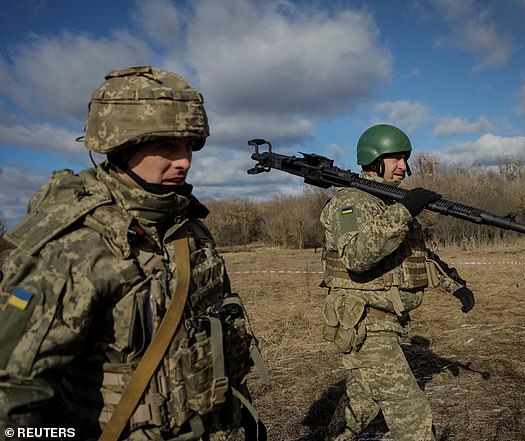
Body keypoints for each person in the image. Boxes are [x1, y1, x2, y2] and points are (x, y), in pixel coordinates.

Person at [0, 66, 268, 441]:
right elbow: (12, 397)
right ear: (122, 145)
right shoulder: (75, 245)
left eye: (190, 145)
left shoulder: (186, 225)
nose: (184, 161)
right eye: (166, 146)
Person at [321, 124, 475, 441]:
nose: (404, 166)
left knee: (360, 407)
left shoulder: (391, 203)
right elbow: (356, 256)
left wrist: (454, 285)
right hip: (365, 322)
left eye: (405, 158)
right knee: (412, 417)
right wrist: (404, 211)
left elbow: (417, 257)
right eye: (395, 159)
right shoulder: (350, 203)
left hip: (388, 322)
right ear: (374, 159)